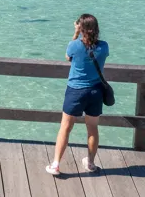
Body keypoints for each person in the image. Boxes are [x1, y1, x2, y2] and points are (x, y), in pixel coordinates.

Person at [47, 14, 109, 176]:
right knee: (92, 128)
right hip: (95, 91)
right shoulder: (104, 47)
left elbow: (68, 57)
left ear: (81, 29)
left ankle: (56, 164)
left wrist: (75, 33)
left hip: (75, 91)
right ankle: (90, 162)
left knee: (65, 128)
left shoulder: (75, 45)